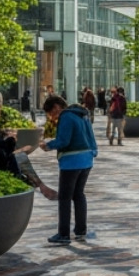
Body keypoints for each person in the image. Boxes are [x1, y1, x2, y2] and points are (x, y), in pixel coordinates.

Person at [0, 93, 57, 200]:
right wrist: (12, 139)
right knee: (20, 156)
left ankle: (38, 184)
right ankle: (36, 184)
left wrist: (4, 135)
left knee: (21, 155)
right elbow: (3, 150)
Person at [42, 94, 97, 245]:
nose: (53, 117)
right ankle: (80, 230)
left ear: (56, 107)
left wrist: (48, 146)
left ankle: (63, 233)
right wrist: (93, 152)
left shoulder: (66, 116)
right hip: (86, 159)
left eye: (52, 113)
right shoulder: (81, 114)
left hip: (71, 161)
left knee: (65, 197)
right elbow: (91, 137)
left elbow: (64, 140)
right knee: (79, 195)